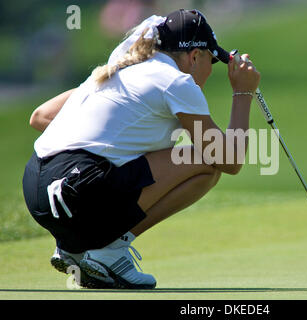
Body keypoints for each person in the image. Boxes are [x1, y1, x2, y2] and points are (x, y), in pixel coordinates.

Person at [22, 9, 260, 289]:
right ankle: (109, 252)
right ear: (195, 56)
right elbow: (228, 160)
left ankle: (75, 246)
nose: (210, 70)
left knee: (136, 162)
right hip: (76, 193)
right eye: (211, 61)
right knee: (207, 164)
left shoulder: (120, 70)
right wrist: (243, 93)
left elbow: (41, 116)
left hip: (37, 191)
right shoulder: (176, 80)